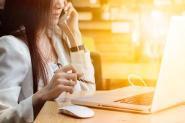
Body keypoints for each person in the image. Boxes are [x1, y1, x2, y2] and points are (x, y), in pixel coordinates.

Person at [0, 0, 95, 122]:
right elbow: (2, 117)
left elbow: (88, 91)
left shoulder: (58, 37)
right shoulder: (12, 46)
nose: (60, 4)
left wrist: (74, 34)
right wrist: (42, 95)